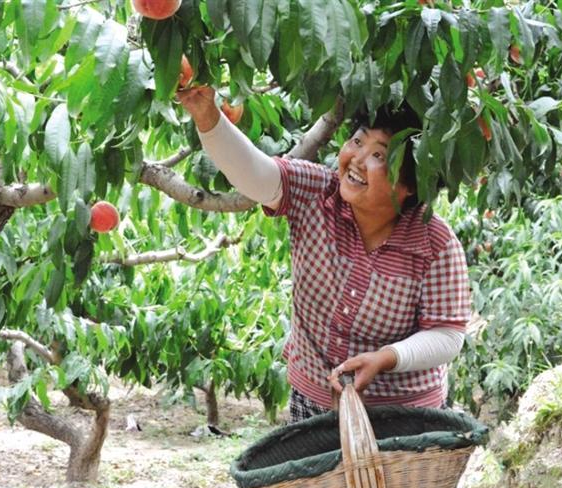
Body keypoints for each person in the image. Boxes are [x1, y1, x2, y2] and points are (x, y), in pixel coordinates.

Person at [177, 86, 471, 423]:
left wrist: (386, 358)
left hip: (402, 413)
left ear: (409, 185)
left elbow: (447, 335)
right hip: (314, 400)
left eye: (379, 155)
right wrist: (208, 117)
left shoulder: (434, 243)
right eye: (357, 141)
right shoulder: (316, 193)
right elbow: (255, 175)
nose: (357, 159)